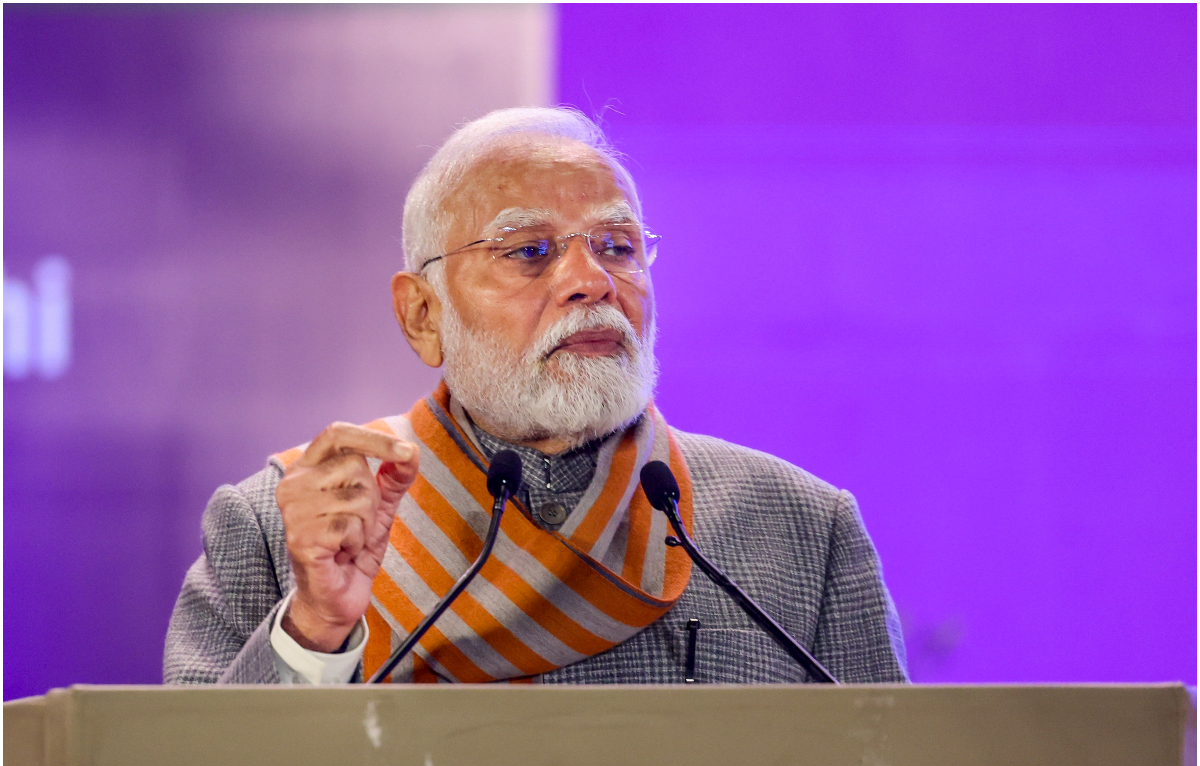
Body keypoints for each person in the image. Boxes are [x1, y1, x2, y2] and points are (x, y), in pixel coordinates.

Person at [163, 108, 908, 686]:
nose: (593, 283)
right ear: (423, 315)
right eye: (529, 251)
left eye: (616, 245)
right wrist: (315, 631)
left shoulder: (804, 531)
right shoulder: (284, 527)